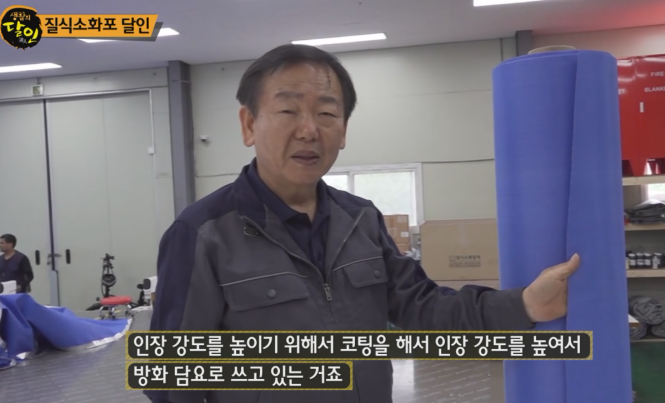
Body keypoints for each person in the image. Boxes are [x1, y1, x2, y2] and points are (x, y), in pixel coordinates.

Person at [146, 44, 580, 403]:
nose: (309, 130)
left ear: (343, 130)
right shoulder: (202, 234)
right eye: (288, 111)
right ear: (248, 125)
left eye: (327, 114)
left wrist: (525, 305)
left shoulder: (359, 219)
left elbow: (425, 308)